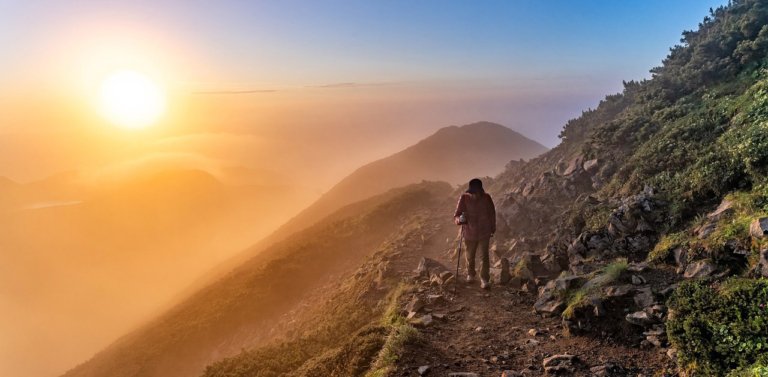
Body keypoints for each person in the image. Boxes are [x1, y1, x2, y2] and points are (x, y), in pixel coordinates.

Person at [454, 178, 496, 289]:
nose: (474, 195)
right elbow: (457, 214)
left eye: (476, 192)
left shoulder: (487, 198)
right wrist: (460, 220)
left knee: (484, 256)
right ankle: (471, 274)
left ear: (480, 191)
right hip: (469, 231)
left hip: (484, 231)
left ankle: (484, 279)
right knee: (470, 255)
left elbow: (492, 213)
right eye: (472, 192)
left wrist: (492, 228)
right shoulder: (464, 198)